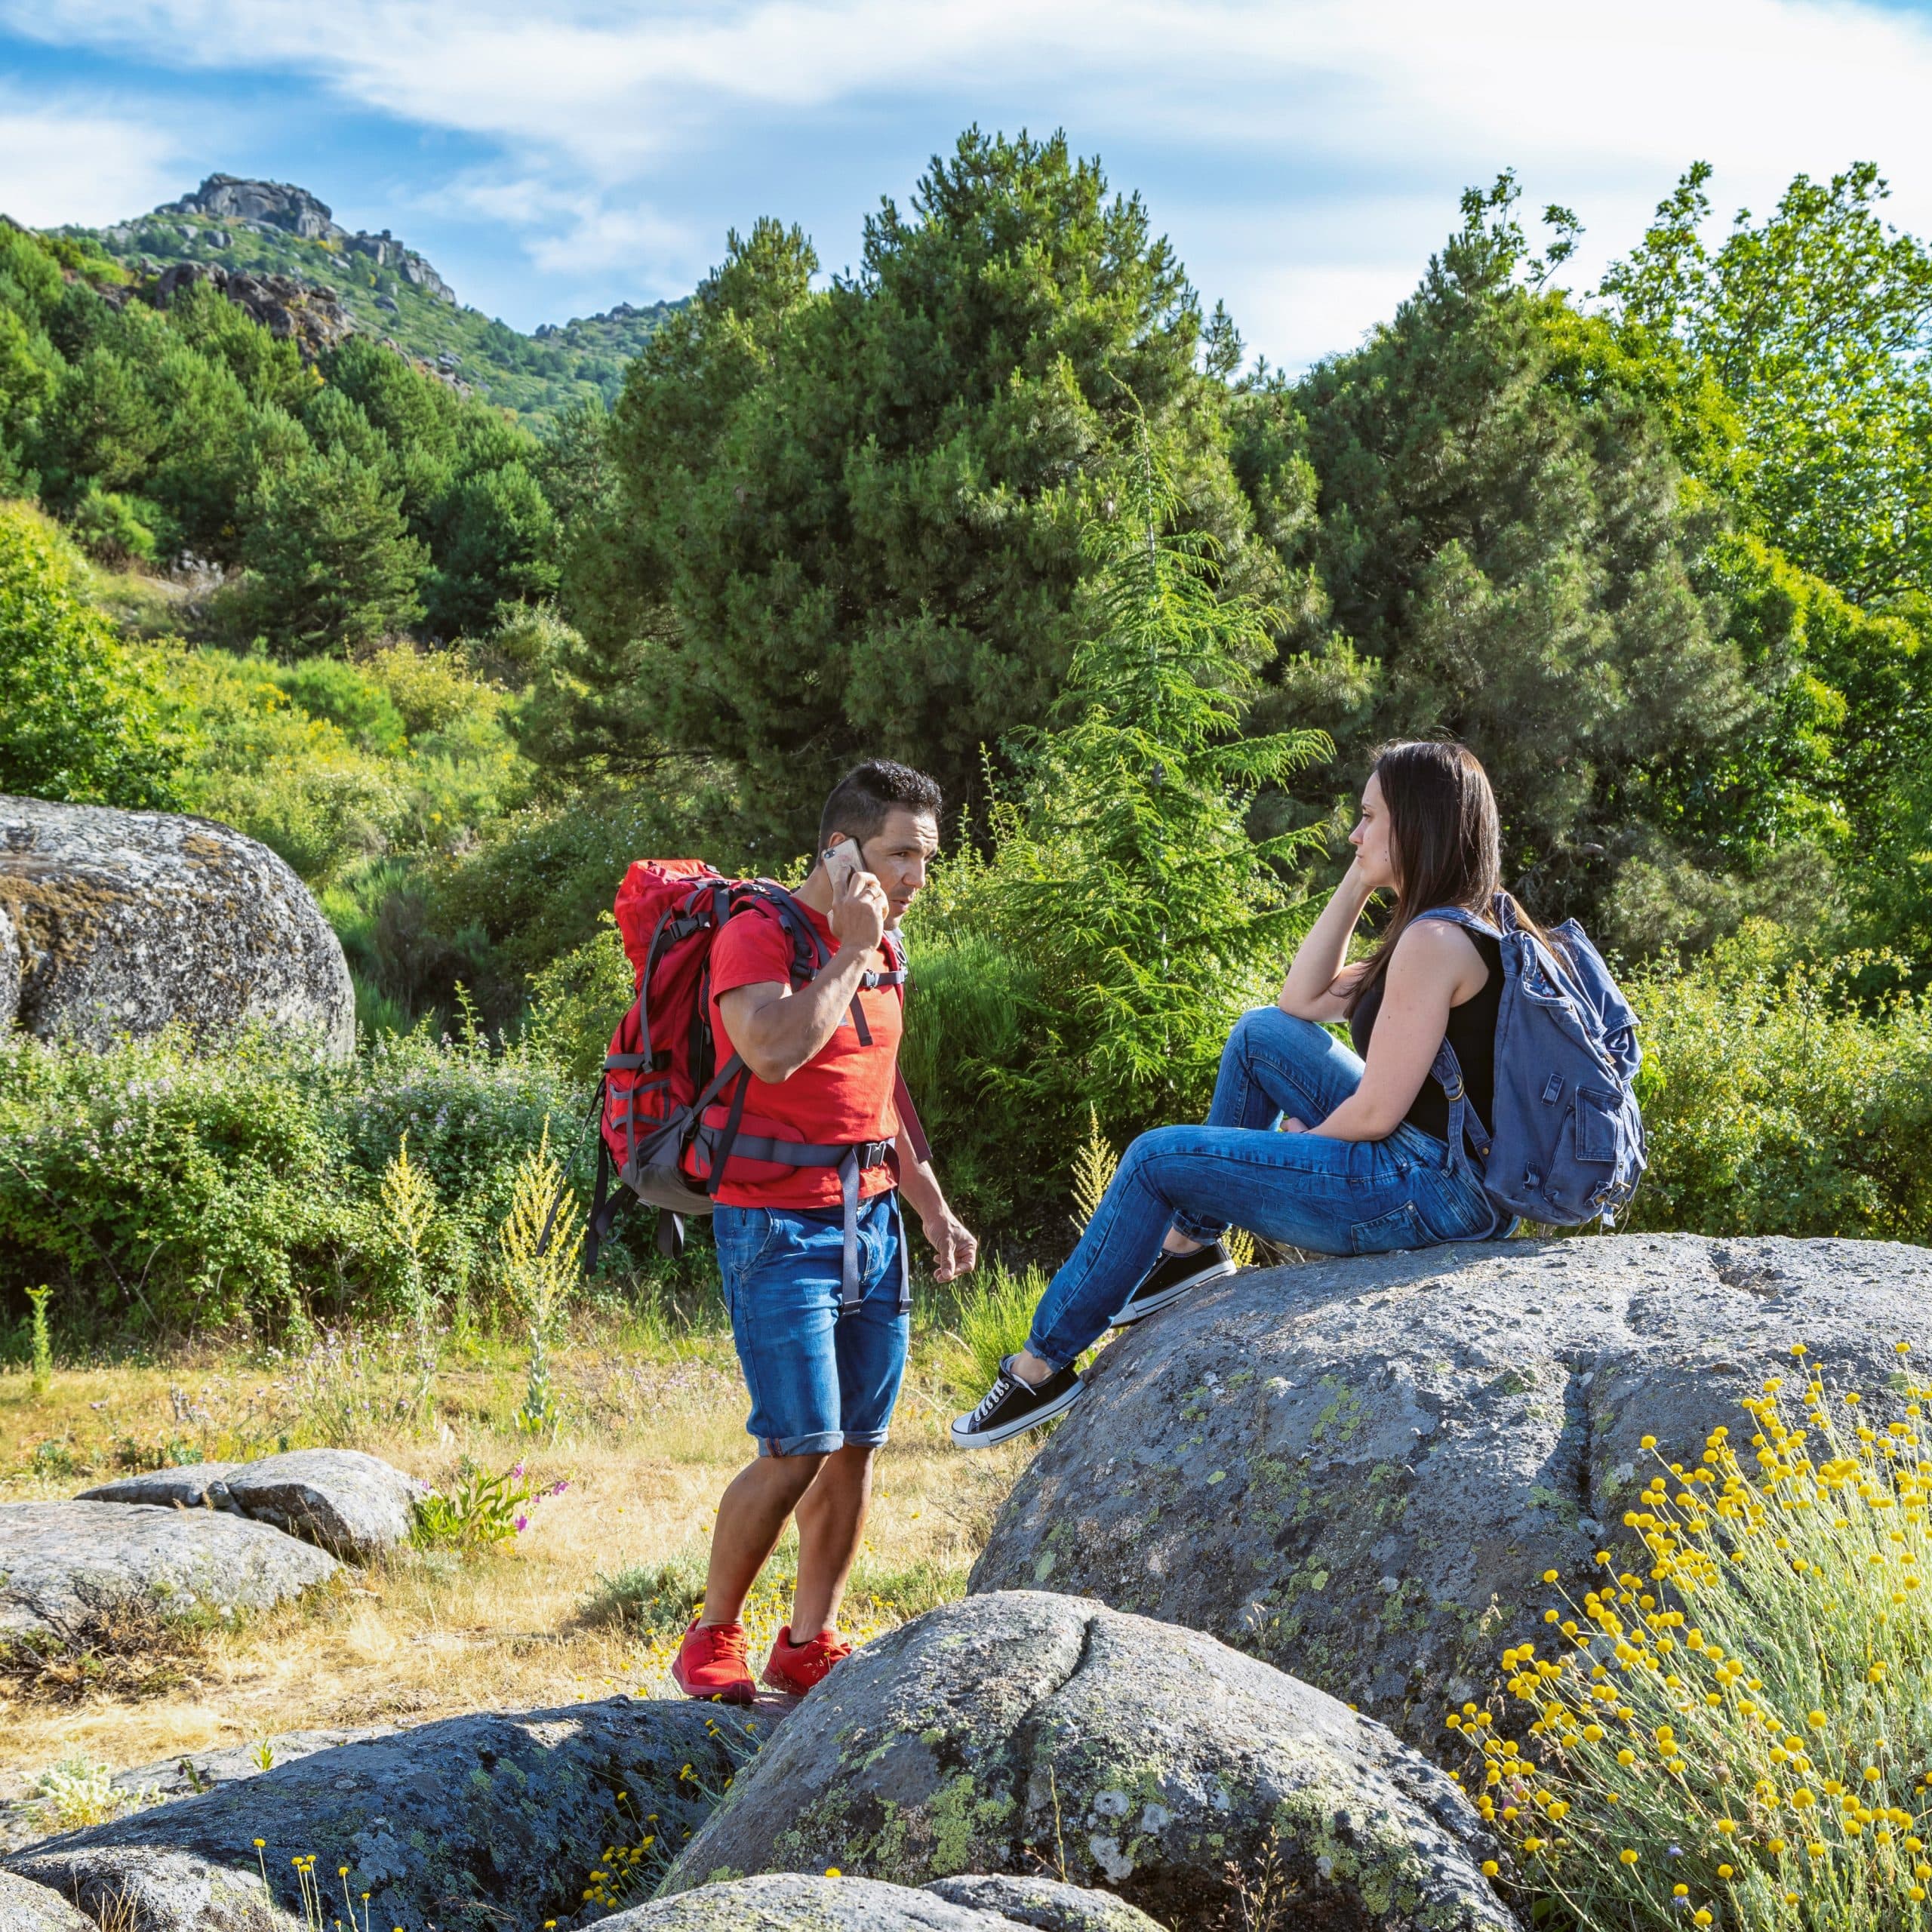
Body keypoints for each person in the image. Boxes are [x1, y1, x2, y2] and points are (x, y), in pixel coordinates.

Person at [952, 739, 1536, 1449]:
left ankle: (1039, 1366)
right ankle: (1189, 1249)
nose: (1355, 835)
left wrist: (1303, 1144)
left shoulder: (1434, 943)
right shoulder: (1461, 923)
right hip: (1442, 1167)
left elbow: (1376, 1113)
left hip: (1426, 1188)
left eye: (1369, 817)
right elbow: (1300, 1001)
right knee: (1261, 1034)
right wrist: (1357, 881)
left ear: (1416, 823)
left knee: (1154, 1160)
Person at [672, 760, 978, 1700]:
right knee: (798, 1442)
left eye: (926, 859)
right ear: (842, 850)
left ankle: (807, 1642)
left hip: (873, 1221)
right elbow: (769, 1051)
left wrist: (930, 1206)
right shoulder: (758, 933)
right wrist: (849, 950)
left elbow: (878, 1091)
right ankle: (710, 1635)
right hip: (775, 1226)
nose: (915, 878)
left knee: (855, 1446)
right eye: (900, 855)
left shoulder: (885, 947)